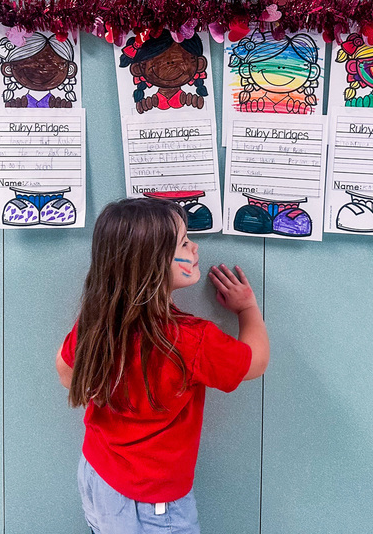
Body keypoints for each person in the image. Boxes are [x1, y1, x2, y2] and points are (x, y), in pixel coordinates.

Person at [56, 197, 269, 533]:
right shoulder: (191, 340)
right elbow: (255, 363)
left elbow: (66, 373)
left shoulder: (96, 321)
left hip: (97, 476)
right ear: (154, 264)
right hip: (153, 505)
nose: (195, 246)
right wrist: (247, 309)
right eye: (184, 242)